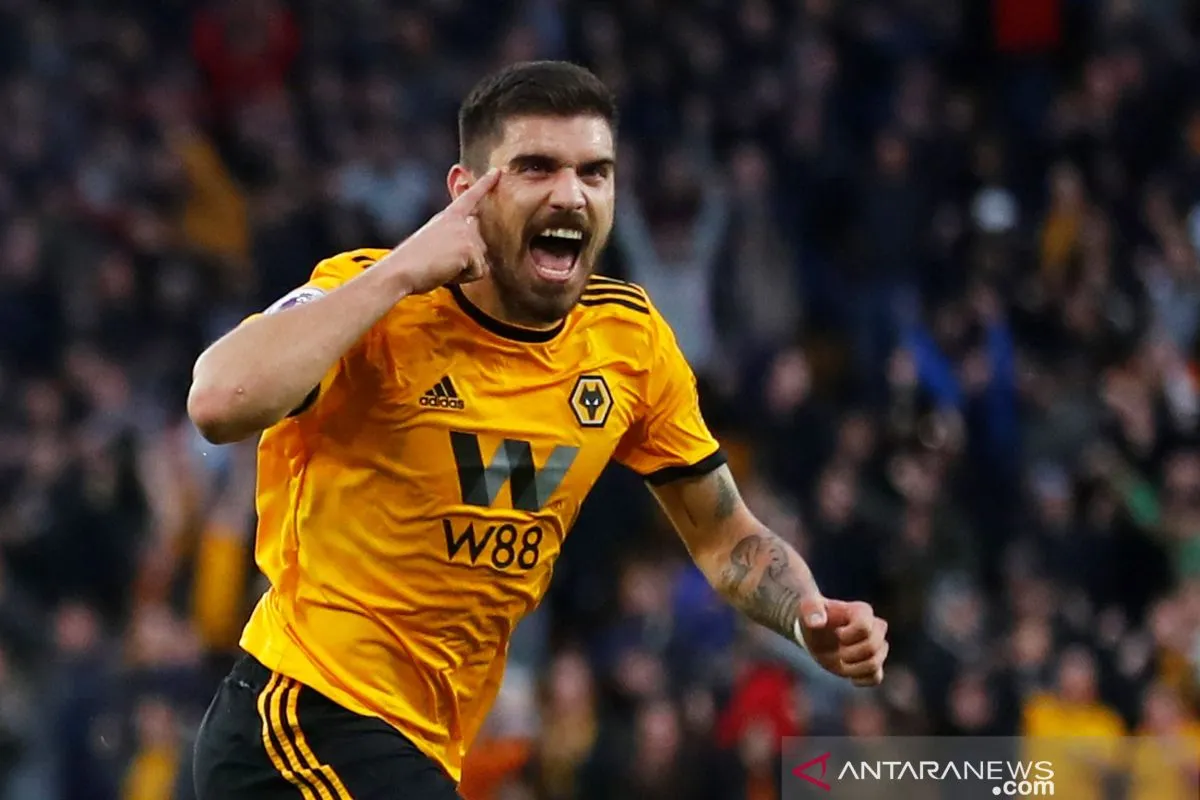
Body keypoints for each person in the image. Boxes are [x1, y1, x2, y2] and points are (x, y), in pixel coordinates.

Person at [187, 60, 890, 800]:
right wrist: (399, 271)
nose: (570, 193)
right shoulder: (376, 300)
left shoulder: (627, 344)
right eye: (536, 167)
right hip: (299, 719)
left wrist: (806, 615)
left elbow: (724, 537)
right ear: (467, 192)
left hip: (422, 745)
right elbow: (218, 399)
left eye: (595, 172)